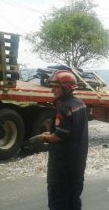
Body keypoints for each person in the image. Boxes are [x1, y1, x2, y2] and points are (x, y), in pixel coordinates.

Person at [40, 70, 88, 210]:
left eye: (56, 86)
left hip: (62, 167)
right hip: (77, 164)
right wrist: (51, 133)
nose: (52, 89)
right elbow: (71, 130)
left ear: (66, 88)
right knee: (73, 200)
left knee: (58, 202)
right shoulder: (80, 104)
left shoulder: (64, 108)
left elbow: (58, 137)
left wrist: (44, 137)